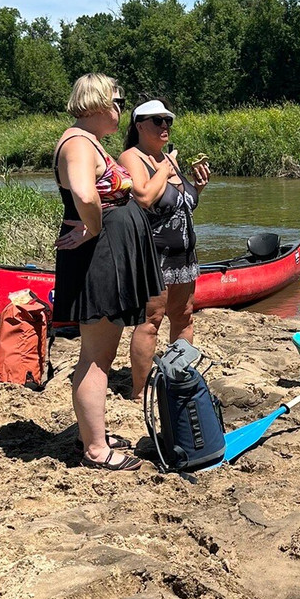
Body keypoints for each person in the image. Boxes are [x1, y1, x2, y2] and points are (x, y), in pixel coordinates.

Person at [53, 74, 165, 472]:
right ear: (97, 102)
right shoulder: (78, 144)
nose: (121, 107)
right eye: (117, 100)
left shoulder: (88, 141)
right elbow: (85, 194)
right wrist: (95, 227)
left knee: (100, 353)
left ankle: (93, 435)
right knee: (97, 357)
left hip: (108, 254)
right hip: (98, 258)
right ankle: (96, 450)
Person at [119, 99, 211, 400]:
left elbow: (180, 203)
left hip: (184, 257)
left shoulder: (167, 160)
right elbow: (144, 196)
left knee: (183, 316)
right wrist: (166, 167)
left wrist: (196, 187)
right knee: (151, 321)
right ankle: (140, 390)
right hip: (154, 257)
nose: (164, 126)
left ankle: (177, 378)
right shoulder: (133, 157)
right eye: (157, 121)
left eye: (167, 120)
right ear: (139, 125)